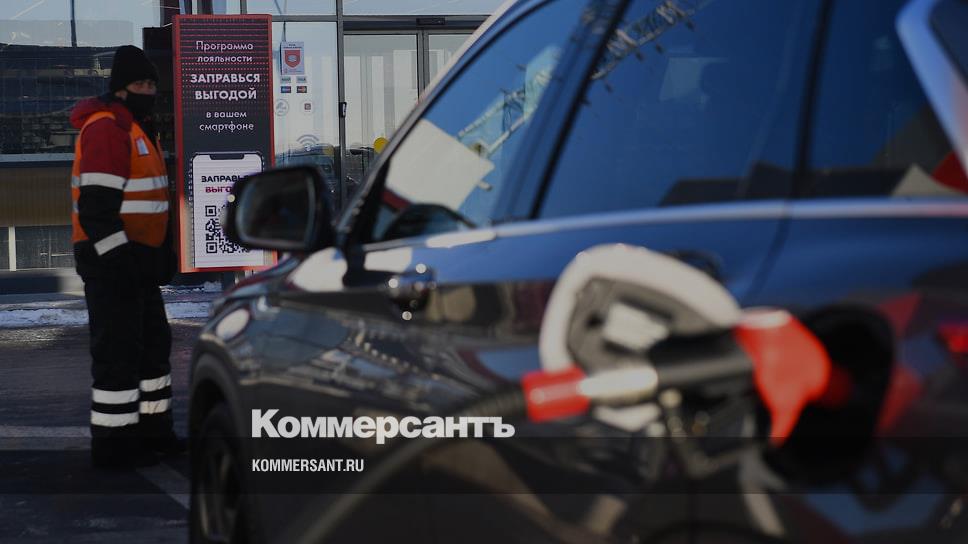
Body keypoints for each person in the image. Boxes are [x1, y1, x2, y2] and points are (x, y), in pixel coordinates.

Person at [69, 45, 184, 469]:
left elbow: (149, 204)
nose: (147, 90)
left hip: (136, 263)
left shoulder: (136, 127)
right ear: (119, 89)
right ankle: (115, 446)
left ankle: (155, 433)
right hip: (112, 263)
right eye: (139, 83)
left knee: (152, 350)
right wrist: (122, 264)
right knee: (118, 356)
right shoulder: (107, 128)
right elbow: (96, 210)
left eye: (152, 83)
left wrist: (159, 256)